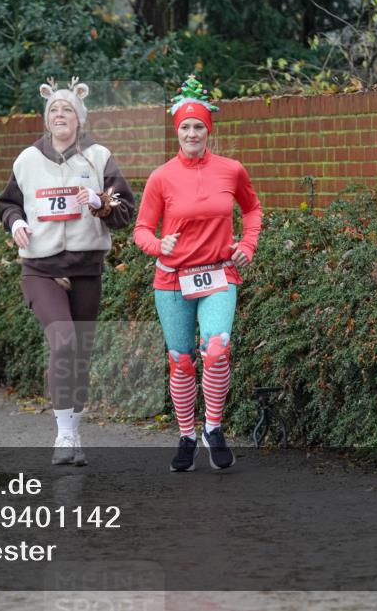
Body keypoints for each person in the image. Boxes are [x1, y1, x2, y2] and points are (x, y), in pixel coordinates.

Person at [0, 78, 136, 465]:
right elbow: (8, 204)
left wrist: (98, 202)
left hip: (85, 268)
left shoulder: (99, 156)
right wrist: (15, 224)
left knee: (80, 353)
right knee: (64, 342)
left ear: (79, 118)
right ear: (46, 119)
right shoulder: (27, 159)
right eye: (54, 110)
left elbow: (126, 212)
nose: (60, 115)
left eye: (67, 110)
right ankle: (62, 436)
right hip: (40, 268)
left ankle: (74, 432)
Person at [133, 75, 262, 472]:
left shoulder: (232, 170)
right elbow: (141, 230)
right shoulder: (161, 177)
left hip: (219, 275)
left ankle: (214, 428)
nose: (192, 133)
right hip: (172, 279)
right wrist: (159, 246)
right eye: (185, 127)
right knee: (182, 360)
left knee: (217, 349)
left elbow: (253, 210)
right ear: (177, 132)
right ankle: (187, 434)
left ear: (209, 131)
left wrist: (247, 246)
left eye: (199, 127)